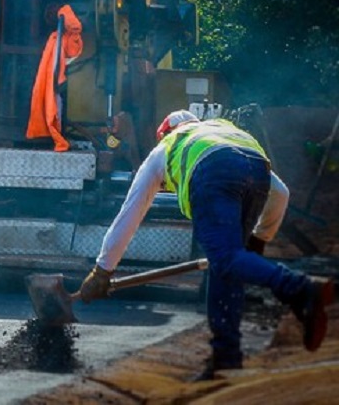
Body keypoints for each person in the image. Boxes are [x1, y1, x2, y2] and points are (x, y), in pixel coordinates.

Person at [79, 110, 334, 377]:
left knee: (224, 259)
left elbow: (130, 214)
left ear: (165, 133)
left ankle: (301, 289)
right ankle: (226, 356)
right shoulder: (226, 131)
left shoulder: (168, 145)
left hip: (213, 174)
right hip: (257, 170)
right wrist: (260, 239)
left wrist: (102, 271)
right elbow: (281, 193)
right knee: (225, 267)